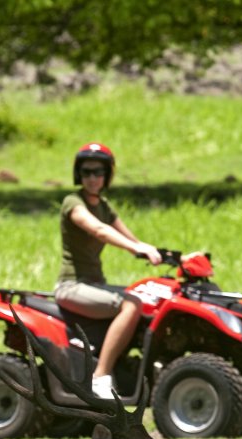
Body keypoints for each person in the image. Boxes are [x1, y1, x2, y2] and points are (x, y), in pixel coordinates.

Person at [55, 142, 161, 400]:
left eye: (98, 172)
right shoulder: (73, 202)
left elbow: (133, 240)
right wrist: (135, 248)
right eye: (87, 172)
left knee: (149, 302)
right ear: (78, 175)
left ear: (107, 175)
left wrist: (161, 253)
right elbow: (99, 230)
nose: (92, 178)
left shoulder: (103, 206)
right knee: (132, 304)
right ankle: (100, 375)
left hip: (94, 285)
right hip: (72, 286)